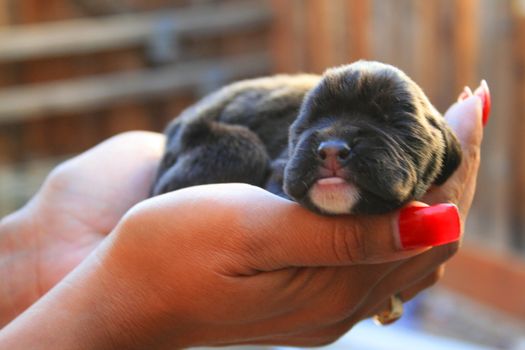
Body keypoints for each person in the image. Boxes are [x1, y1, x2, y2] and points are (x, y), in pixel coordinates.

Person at [0, 88, 485, 349]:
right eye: (314, 137)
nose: (332, 148)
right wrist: (114, 309)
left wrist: (37, 249)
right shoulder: (255, 142)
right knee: (236, 158)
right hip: (210, 136)